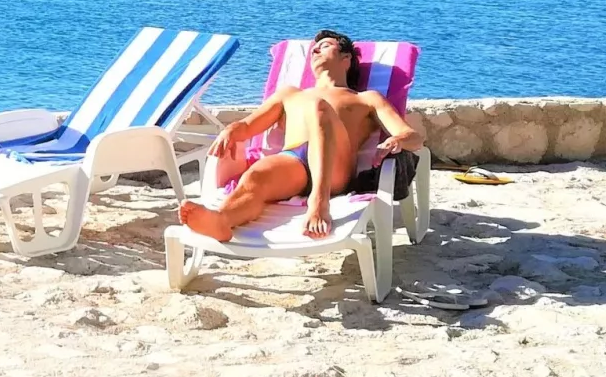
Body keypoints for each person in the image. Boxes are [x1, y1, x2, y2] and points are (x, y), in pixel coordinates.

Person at [177, 30, 423, 240]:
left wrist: (397, 140)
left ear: (346, 58)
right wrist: (231, 129)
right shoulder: (289, 94)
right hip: (293, 160)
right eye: (313, 49)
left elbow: (412, 136)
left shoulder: (365, 98)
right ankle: (222, 220)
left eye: (324, 46)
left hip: (336, 168)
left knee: (318, 108)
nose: (315, 51)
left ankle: (319, 202)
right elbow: (248, 126)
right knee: (256, 177)